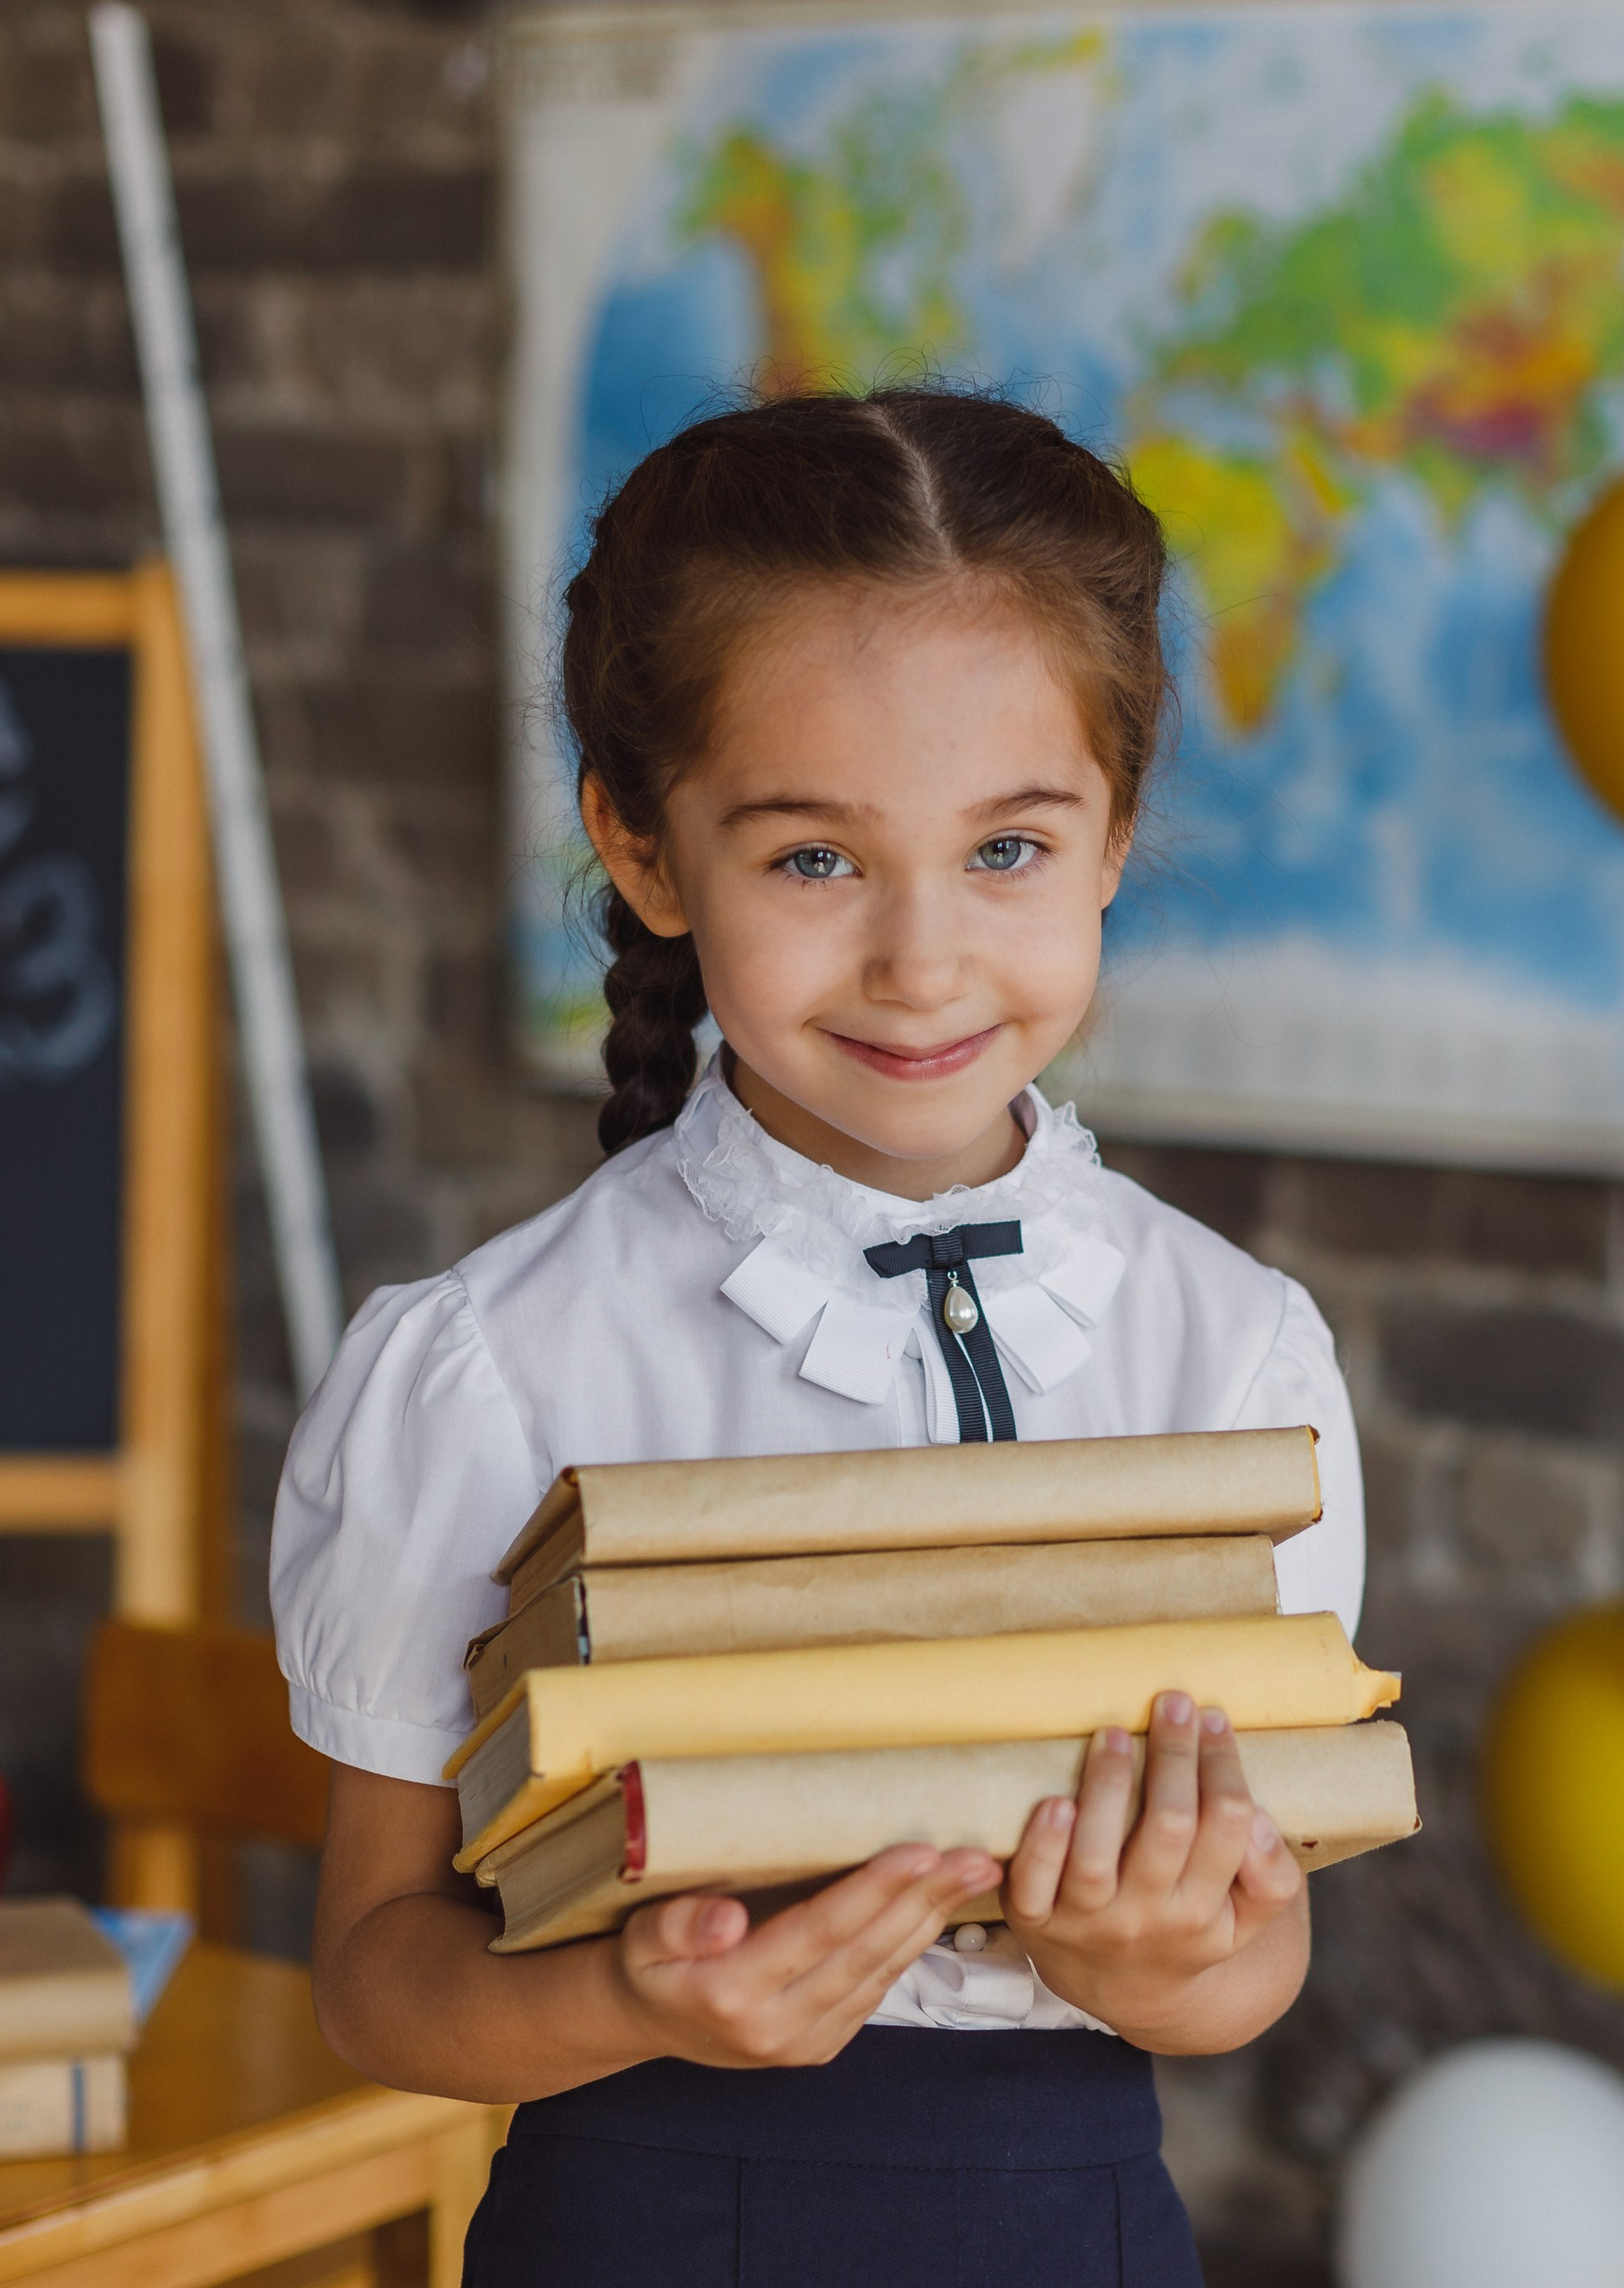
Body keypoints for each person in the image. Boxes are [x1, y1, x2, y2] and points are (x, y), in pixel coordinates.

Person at [271, 387, 1366, 2287]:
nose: (922, 959)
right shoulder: (491, 1366)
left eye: (1007, 849)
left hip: (1078, 2232)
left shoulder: (1234, 1352)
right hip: (643, 2222)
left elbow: (1258, 1953)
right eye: (812, 859)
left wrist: (1155, 1956)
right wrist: (631, 1992)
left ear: (1113, 826)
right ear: (644, 848)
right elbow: (377, 1977)